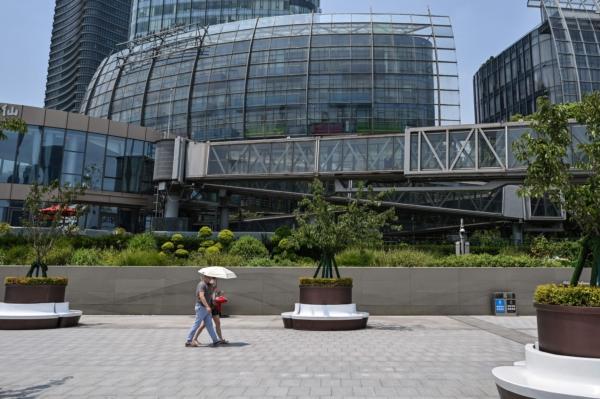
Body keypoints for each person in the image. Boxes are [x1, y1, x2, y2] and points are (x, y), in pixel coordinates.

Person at [185, 274, 221, 347]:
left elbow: (210, 294)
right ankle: (189, 341)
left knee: (209, 325)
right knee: (197, 324)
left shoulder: (209, 285)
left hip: (206, 308)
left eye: (211, 277)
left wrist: (214, 286)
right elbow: (201, 296)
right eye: (208, 277)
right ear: (204, 277)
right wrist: (207, 306)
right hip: (201, 307)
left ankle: (215, 341)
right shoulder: (201, 284)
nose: (210, 278)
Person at [192, 278, 228, 344]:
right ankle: (195, 338)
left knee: (218, 323)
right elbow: (205, 297)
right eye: (213, 280)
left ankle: (220, 339)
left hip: (214, 308)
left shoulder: (214, 287)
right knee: (204, 325)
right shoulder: (206, 286)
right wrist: (213, 301)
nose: (214, 281)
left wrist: (219, 295)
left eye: (215, 280)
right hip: (209, 307)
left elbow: (215, 296)